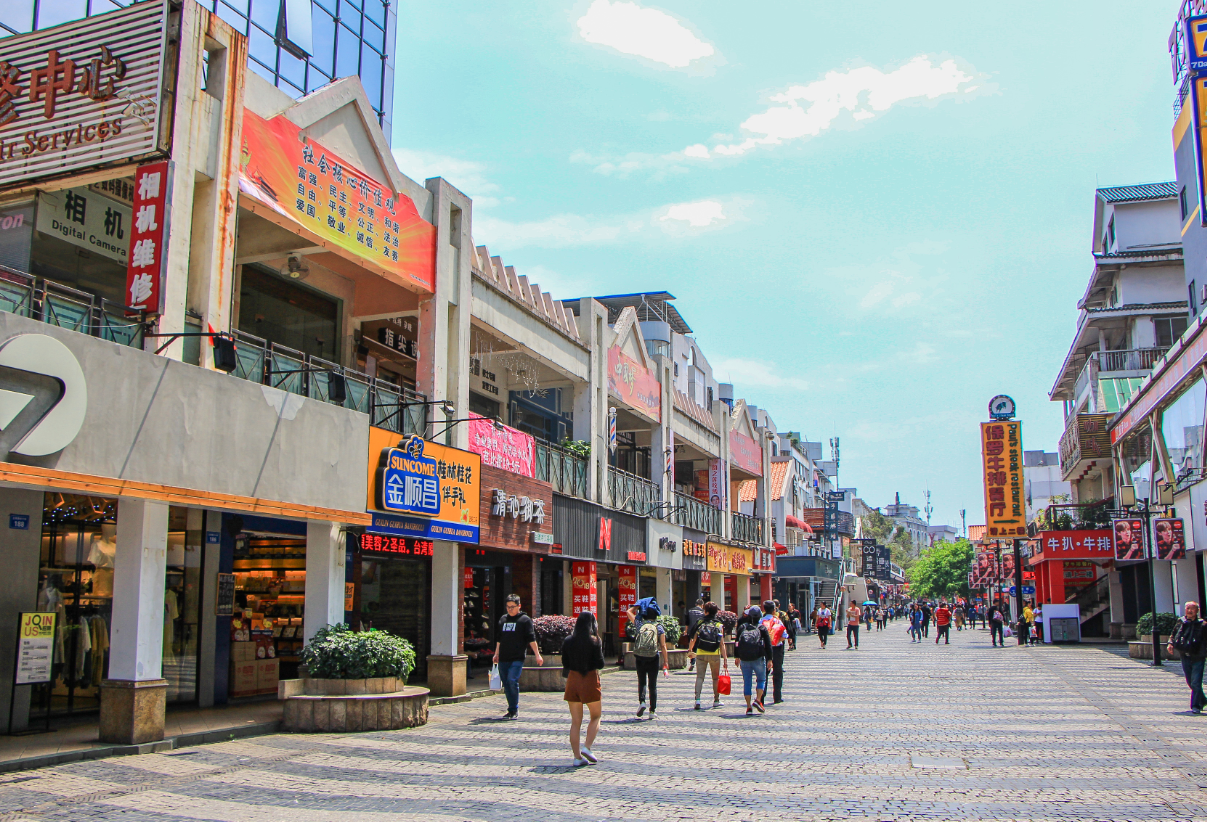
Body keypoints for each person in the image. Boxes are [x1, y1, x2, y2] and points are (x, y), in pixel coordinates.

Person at [561, 611, 605, 766]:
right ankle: (587, 747)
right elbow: (600, 664)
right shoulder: (595, 641)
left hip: (573, 680)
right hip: (590, 679)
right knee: (596, 716)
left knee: (575, 722)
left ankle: (576, 757)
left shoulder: (568, 641)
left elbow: (565, 663)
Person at [493, 594, 543, 720]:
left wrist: (537, 655)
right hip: (503, 657)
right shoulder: (503, 620)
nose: (510, 609)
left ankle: (514, 709)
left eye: (513, 607)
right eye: (508, 607)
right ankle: (510, 708)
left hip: (517, 657)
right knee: (506, 683)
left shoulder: (525, 620)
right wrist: (496, 653)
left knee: (512, 680)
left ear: (519, 606)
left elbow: (531, 639)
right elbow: (499, 639)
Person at [629, 598, 669, 719]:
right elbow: (663, 645)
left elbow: (628, 612)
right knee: (653, 684)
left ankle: (642, 702)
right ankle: (652, 711)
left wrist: (638, 605)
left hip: (640, 656)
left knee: (642, 681)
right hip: (653, 657)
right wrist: (666, 662)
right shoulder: (659, 627)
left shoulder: (639, 624)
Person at [687, 601, 729, 710]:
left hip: (701, 653)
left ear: (705, 611)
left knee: (700, 677)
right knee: (715, 678)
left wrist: (690, 650)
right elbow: (722, 643)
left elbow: (693, 639)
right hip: (715, 654)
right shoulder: (719, 624)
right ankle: (716, 700)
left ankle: (697, 699)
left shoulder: (700, 622)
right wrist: (725, 658)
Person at [1168, 601, 1207, 713]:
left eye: (1192, 608)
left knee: (1196, 682)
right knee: (1190, 681)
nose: (1190, 611)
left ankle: (1196, 706)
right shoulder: (1181, 621)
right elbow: (1174, 633)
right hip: (1184, 654)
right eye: (1188, 608)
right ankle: (1203, 700)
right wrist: (1170, 643)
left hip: (1198, 655)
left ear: (1197, 610)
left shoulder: (1203, 624)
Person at [735, 606, 773, 715]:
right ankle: (758, 700)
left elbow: (737, 643)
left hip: (744, 659)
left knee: (747, 682)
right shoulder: (762, 628)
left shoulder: (742, 627)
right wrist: (770, 659)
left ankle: (748, 707)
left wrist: (737, 656)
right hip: (758, 658)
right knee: (761, 680)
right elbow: (768, 645)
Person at [759, 600, 787, 704]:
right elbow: (784, 636)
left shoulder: (760, 621)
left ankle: (761, 697)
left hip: (764, 649)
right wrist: (775, 641)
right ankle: (777, 697)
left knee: (763, 674)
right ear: (774, 610)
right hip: (776, 649)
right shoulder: (777, 621)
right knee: (778, 672)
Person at [685, 598, 705, 672]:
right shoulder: (703, 612)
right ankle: (700, 663)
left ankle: (692, 662)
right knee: (699, 648)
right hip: (701, 632)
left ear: (696, 604)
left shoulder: (690, 611)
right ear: (702, 605)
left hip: (691, 632)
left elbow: (687, 622)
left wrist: (686, 631)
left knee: (692, 648)